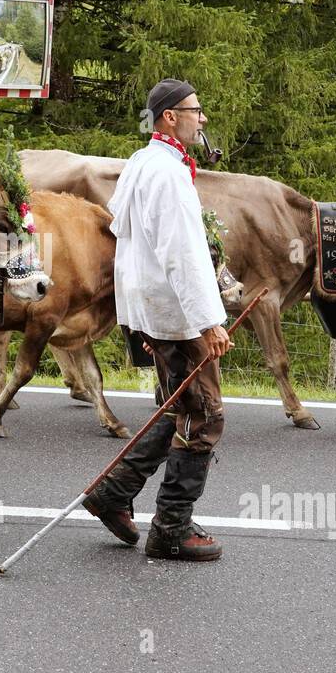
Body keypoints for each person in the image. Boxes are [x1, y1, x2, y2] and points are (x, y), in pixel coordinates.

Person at [82, 78, 234, 562]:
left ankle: (112, 493)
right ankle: (171, 526)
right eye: (196, 110)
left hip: (151, 311)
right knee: (204, 415)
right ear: (170, 116)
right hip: (177, 317)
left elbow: (126, 242)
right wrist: (209, 321)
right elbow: (182, 254)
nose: (202, 118)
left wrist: (134, 318)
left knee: (176, 407)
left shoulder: (142, 163)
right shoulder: (166, 175)